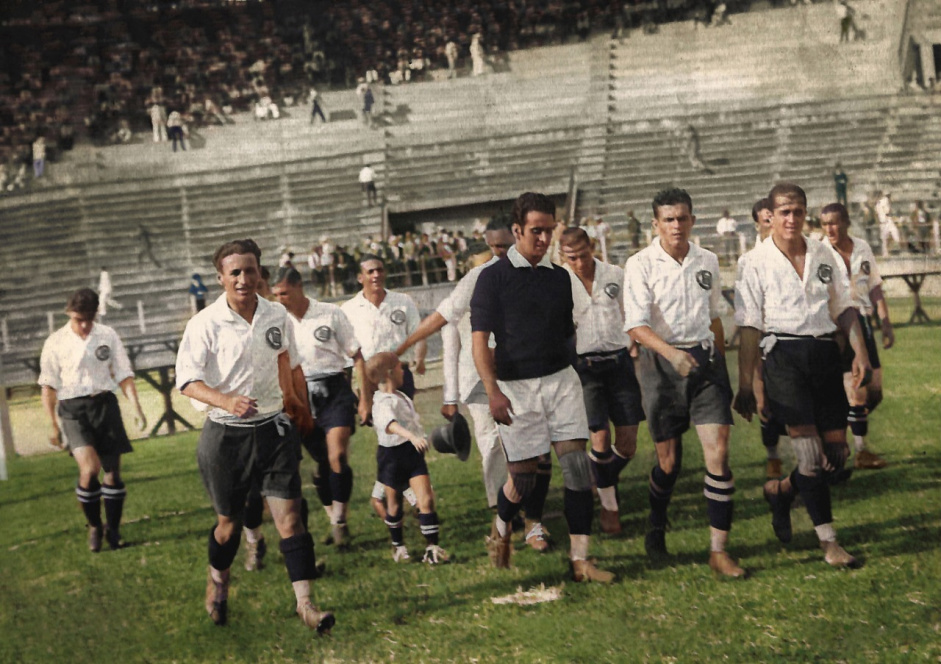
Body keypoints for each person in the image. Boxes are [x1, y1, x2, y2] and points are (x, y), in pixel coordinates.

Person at [175, 239, 334, 632]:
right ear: (221, 278)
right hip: (225, 436)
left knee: (290, 520)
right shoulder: (204, 324)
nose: (244, 279)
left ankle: (306, 605)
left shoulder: (276, 315)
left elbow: (290, 363)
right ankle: (218, 583)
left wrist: (298, 406)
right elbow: (187, 382)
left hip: (273, 430)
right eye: (235, 273)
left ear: (260, 273)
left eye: (250, 271)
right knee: (228, 525)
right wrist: (226, 401)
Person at [471, 192, 613, 583]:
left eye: (549, 231)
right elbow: (479, 342)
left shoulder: (559, 278)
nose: (544, 238)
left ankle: (581, 560)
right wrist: (493, 392)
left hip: (560, 382)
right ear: (517, 230)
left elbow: (568, 334)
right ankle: (501, 526)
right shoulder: (492, 278)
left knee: (577, 466)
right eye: (536, 231)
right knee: (523, 478)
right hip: (515, 389)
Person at [734, 183, 871, 569]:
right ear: (771, 216)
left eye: (797, 212)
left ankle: (780, 491)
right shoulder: (753, 262)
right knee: (809, 457)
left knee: (835, 458)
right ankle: (830, 543)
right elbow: (748, 327)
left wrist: (860, 354)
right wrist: (748, 383)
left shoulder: (823, 253)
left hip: (825, 353)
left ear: (805, 213)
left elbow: (844, 306)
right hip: (784, 357)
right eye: (784, 213)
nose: (791, 219)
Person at [394, 222, 552, 552]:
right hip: (479, 376)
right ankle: (501, 509)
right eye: (493, 248)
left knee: (533, 443)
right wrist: (447, 395)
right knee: (493, 441)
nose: (499, 254)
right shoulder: (476, 280)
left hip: (522, 372)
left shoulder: (538, 272)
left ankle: (529, 516)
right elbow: (446, 334)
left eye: (506, 246)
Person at [623, 188, 743, 578]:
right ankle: (657, 521)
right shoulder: (640, 264)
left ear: (693, 220)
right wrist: (672, 355)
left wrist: (723, 367)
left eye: (683, 218)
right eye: (669, 220)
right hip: (662, 365)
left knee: (718, 453)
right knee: (669, 463)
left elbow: (714, 318)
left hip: (705, 363)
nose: (677, 226)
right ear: (655, 224)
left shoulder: (706, 259)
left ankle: (718, 551)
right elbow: (636, 326)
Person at [39, 288, 147, 552]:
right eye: (78, 319)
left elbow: (124, 373)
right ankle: (94, 526)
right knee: (89, 470)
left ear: (96, 313)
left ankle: (114, 529)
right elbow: (48, 385)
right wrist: (52, 423)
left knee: (112, 473)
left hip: (105, 405)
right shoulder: (56, 341)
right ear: (68, 314)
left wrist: (136, 408)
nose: (84, 325)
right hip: (73, 409)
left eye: (89, 318)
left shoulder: (107, 335)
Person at [271, 267, 366, 547]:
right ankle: (332, 515)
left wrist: (365, 399)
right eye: (275, 294)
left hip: (334, 389)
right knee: (322, 464)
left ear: (300, 287)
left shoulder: (330, 313)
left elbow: (356, 355)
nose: (280, 299)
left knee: (338, 455)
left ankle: (340, 521)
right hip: (299, 396)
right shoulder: (275, 322)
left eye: (285, 293)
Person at [560, 227, 643, 535]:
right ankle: (610, 508)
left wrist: (634, 343)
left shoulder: (615, 274)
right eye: (572, 258)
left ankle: (600, 478)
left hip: (619, 363)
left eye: (583, 255)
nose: (579, 263)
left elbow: (629, 313)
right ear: (562, 256)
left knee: (628, 443)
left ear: (592, 247)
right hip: (584, 368)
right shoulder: (560, 281)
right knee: (599, 439)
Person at [341, 253, 426, 519]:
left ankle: (395, 492)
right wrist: (357, 390)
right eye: (370, 272)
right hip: (368, 380)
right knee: (387, 435)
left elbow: (418, 333)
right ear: (360, 277)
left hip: (399, 376)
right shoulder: (349, 310)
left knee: (403, 432)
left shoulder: (402, 301)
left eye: (379, 270)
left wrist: (419, 359)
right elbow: (347, 353)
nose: (376, 275)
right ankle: (393, 493)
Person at [820, 203, 894, 469]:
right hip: (838, 327)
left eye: (834, 222)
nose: (830, 228)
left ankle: (838, 427)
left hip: (863, 321)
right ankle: (861, 451)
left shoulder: (862, 247)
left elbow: (874, 285)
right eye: (825, 223)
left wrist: (885, 321)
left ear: (846, 222)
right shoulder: (820, 252)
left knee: (875, 391)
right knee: (858, 391)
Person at [366, 352, 450, 564]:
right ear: (389, 373)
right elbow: (390, 425)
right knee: (394, 506)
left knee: (426, 499)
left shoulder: (401, 396)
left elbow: (412, 423)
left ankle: (432, 549)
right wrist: (412, 437)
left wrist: (422, 437)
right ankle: (399, 547)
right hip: (391, 457)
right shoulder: (381, 402)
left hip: (412, 455)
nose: (404, 371)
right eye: (400, 368)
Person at [734, 198, 787, 479]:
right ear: (757, 223)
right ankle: (773, 457)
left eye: (774, 217)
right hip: (763, 336)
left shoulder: (795, 251)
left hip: (791, 336)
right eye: (766, 219)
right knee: (763, 400)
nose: (771, 222)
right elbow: (745, 309)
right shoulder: (749, 260)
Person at [875, 191, 899, 257]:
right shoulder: (884, 201)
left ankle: (888, 252)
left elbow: (877, 214)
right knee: (892, 236)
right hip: (886, 222)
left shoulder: (879, 203)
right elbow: (887, 212)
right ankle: (887, 253)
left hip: (885, 221)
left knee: (887, 238)